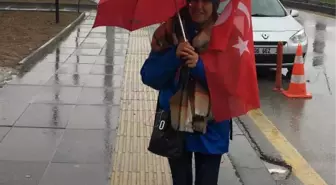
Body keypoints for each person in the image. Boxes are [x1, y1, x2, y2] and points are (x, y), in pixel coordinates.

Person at [140, 0, 232, 184]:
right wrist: (174, 56)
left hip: (211, 128)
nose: (198, 6)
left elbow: (231, 84)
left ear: (215, 4)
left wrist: (199, 66)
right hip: (176, 127)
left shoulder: (226, 33)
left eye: (205, 0)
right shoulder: (170, 30)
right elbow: (149, 76)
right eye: (193, 0)